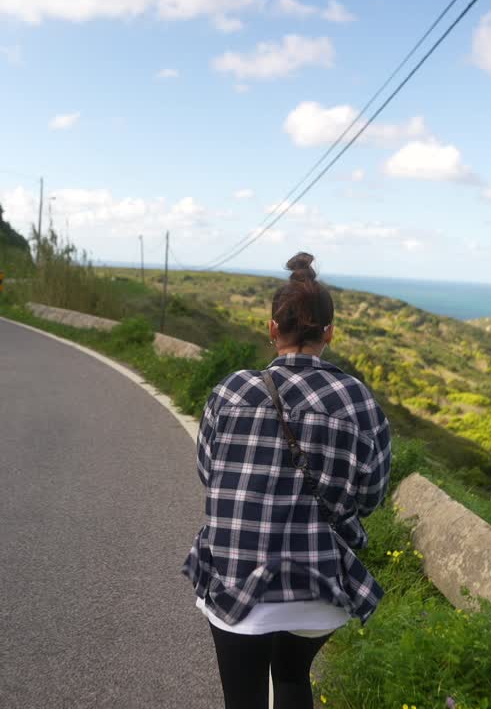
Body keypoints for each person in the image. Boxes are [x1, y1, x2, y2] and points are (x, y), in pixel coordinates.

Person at [183, 252, 392, 709]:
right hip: (320, 584)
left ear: (272, 328)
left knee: (245, 696)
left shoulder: (230, 392)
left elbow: (208, 472)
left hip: (237, 574)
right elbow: (372, 496)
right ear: (329, 333)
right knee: (294, 675)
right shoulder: (360, 402)